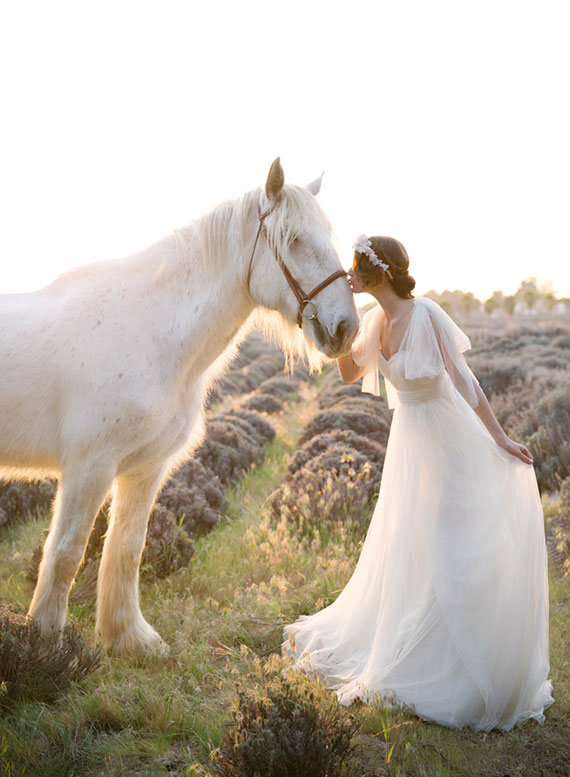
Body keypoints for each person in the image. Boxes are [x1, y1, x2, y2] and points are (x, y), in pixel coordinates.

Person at [282, 235, 553, 731]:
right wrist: (330, 333)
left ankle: (470, 664)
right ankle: (420, 653)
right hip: (409, 444)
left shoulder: (425, 314)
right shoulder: (372, 321)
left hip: (451, 441)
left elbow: (466, 383)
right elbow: (347, 372)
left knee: (453, 543)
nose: (348, 274)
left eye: (356, 268)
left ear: (378, 274)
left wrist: (501, 439)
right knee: (412, 544)